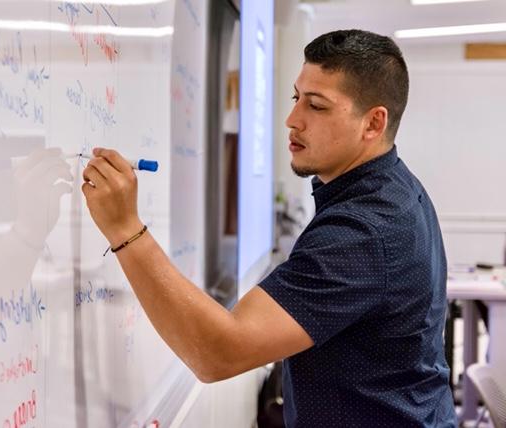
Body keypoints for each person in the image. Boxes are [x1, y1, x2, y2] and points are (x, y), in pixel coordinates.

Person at [81, 29, 456, 427]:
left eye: (317, 106)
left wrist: (125, 228)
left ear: (373, 123)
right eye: (297, 98)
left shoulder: (364, 230)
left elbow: (217, 353)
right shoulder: (390, 187)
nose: (292, 120)